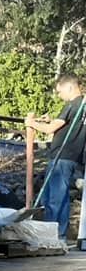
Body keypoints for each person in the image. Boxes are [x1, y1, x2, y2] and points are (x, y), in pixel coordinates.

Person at [25, 73, 86, 241]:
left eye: (60, 92)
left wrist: (32, 123)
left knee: (54, 197)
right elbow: (67, 125)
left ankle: (51, 235)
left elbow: (50, 129)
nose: (59, 96)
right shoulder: (82, 106)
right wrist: (50, 120)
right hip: (73, 156)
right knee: (61, 197)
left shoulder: (72, 104)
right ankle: (60, 233)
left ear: (70, 87)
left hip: (62, 155)